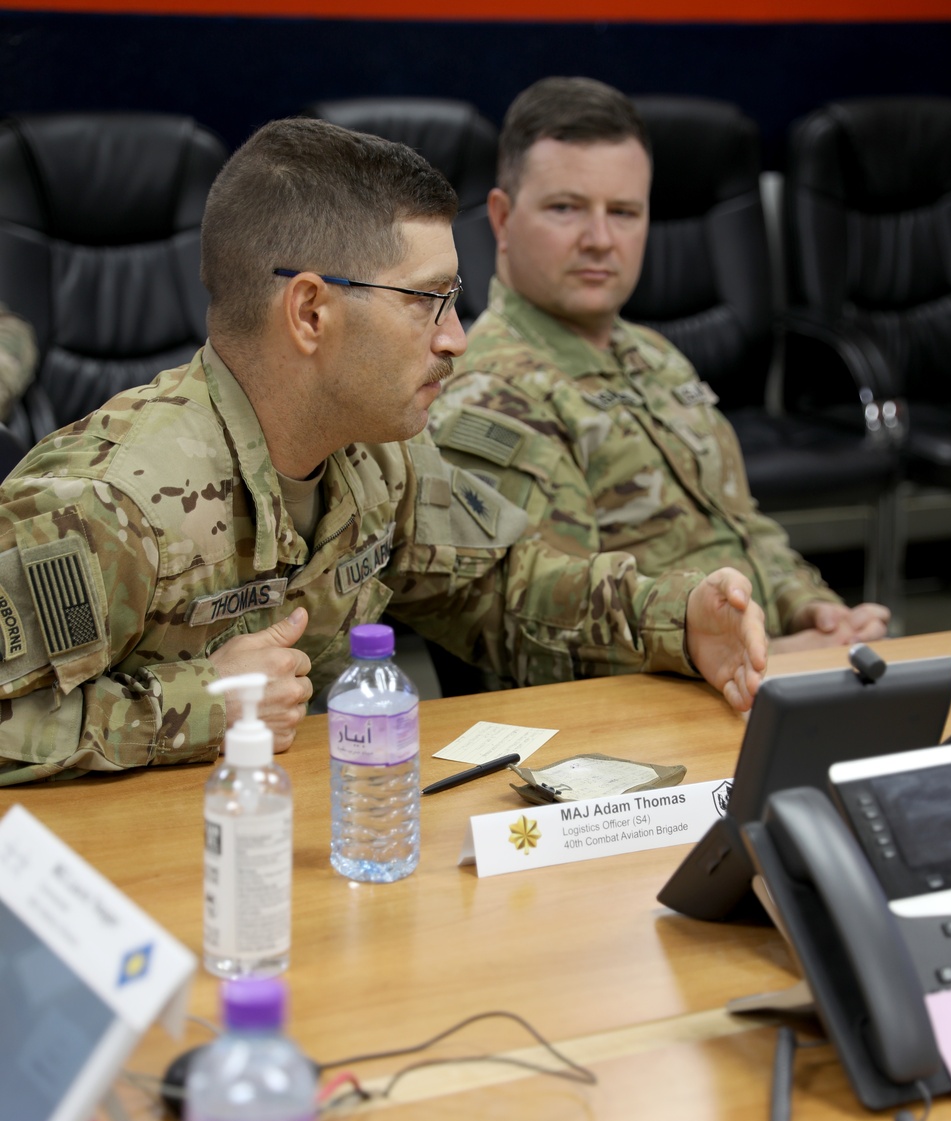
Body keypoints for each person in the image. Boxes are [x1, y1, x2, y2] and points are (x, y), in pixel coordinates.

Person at [0, 117, 766, 786]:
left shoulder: (376, 459)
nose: (455, 338)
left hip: (286, 842)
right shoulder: (110, 503)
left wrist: (675, 618)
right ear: (310, 312)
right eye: (426, 301)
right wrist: (208, 704)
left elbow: (496, 590)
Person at [429, 77, 889, 655]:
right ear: (500, 217)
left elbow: (739, 525)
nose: (600, 239)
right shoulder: (491, 393)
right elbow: (532, 633)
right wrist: (742, 651)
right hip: (640, 715)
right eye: (566, 208)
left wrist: (810, 610)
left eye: (624, 211)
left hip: (757, 676)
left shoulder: (654, 355)